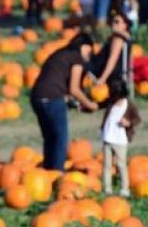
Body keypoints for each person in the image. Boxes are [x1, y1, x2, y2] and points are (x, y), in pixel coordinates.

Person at [30, 33, 98, 171]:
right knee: (60, 140)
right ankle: (57, 173)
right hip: (52, 99)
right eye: (89, 50)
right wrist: (90, 104)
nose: (89, 54)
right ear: (84, 46)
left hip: (37, 98)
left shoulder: (62, 54)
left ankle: (48, 172)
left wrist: (75, 103)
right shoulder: (76, 58)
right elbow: (74, 89)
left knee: (50, 138)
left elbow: (58, 81)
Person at [100, 80, 140, 197]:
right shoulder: (110, 103)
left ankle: (124, 188)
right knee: (107, 165)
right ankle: (107, 188)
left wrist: (128, 123)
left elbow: (137, 119)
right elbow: (99, 105)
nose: (116, 99)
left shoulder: (129, 105)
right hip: (108, 138)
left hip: (120, 140)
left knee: (121, 164)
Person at [88, 11, 134, 88]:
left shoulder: (118, 39)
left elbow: (112, 60)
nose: (113, 24)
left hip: (100, 73)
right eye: (112, 21)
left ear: (125, 25)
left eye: (117, 22)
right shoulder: (127, 39)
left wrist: (102, 79)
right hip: (117, 74)